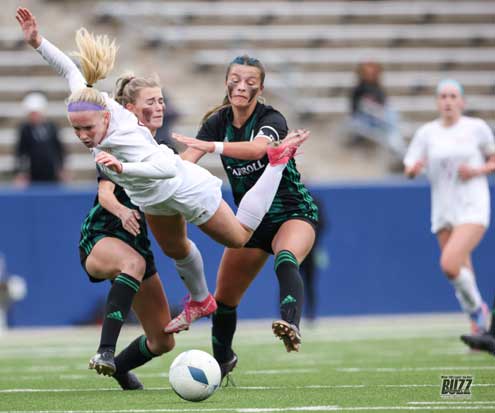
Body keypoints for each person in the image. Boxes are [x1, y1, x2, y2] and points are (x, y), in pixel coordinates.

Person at [16, 6, 307, 341]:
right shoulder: (88, 104)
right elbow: (68, 68)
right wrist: (38, 42)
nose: (82, 135)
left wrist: (124, 168)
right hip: (151, 199)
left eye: (87, 128)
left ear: (107, 117)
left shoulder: (120, 129)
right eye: (76, 129)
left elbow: (168, 168)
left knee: (239, 237)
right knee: (176, 249)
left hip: (180, 186)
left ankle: (277, 162)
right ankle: (200, 300)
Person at [174, 55, 319, 381]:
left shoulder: (271, 118)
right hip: (251, 222)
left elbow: (257, 151)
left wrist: (211, 146)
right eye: (235, 78)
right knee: (224, 299)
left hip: (292, 211)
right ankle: (222, 363)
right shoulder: (217, 121)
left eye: (250, 80)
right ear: (226, 81)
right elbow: (187, 162)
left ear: (261, 87)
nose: (241, 85)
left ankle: (289, 322)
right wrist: (159, 172)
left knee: (286, 257)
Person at [403, 79, 495, 336]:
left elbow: (492, 158)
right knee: (462, 271)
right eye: (443, 96)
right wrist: (414, 169)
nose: (448, 101)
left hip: (472, 206)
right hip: (443, 209)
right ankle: (479, 329)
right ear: (437, 102)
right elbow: (409, 165)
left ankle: (478, 310)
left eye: (453, 96)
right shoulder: (427, 133)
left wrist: (478, 170)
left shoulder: (476, 128)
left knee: (449, 264)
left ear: (462, 102)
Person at [347, 61, 404, 157]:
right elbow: (355, 109)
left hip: (380, 120)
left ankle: (399, 150)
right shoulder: (359, 89)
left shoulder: (378, 88)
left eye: (372, 72)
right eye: (367, 72)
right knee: (387, 119)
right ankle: (399, 150)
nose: (370, 74)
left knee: (392, 120)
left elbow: (383, 104)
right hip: (364, 120)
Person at [14, 91, 67, 186]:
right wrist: (21, 173)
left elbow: (59, 149)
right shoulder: (25, 130)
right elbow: (21, 152)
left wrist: (61, 169)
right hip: (33, 173)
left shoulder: (52, 127)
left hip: (51, 172)